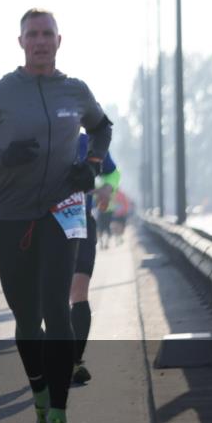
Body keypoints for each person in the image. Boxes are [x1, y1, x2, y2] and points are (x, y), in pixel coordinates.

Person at [0, 8, 112, 423]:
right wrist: (4, 157)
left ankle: (58, 418)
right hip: (14, 216)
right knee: (27, 318)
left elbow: (102, 128)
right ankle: (40, 399)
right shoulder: (1, 93)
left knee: (58, 313)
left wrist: (92, 165)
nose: (40, 41)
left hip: (63, 213)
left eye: (47, 34)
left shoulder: (76, 90)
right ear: (20, 42)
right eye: (32, 35)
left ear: (59, 41)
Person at [70, 132, 120, 385]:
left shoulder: (87, 141)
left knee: (79, 291)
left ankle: (75, 361)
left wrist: (107, 189)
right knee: (53, 296)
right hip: (45, 225)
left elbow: (111, 172)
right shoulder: (40, 136)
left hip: (81, 222)